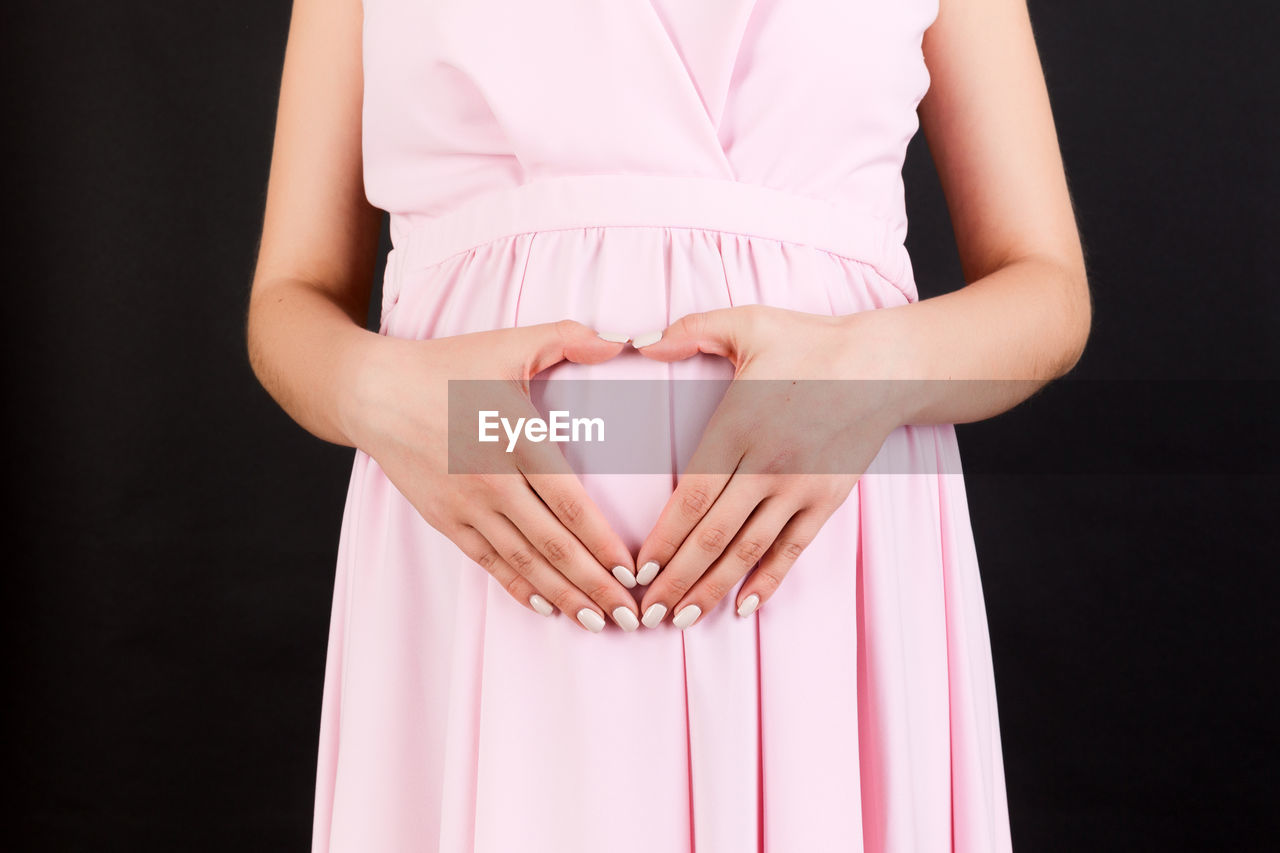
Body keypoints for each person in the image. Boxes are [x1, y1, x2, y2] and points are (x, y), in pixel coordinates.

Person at [246, 0, 1090, 849]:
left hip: (819, 572)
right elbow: (288, 298)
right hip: (481, 565)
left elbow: (1048, 290)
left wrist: (870, 376)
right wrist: (381, 391)